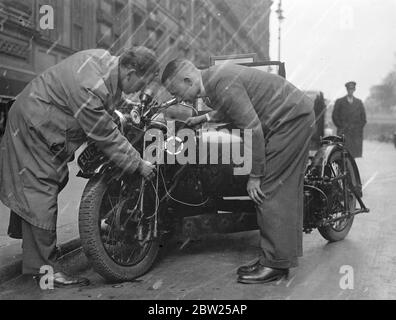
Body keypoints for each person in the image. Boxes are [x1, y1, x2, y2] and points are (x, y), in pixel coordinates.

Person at [0, 47, 158, 288]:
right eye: (140, 84)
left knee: (39, 186)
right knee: (41, 190)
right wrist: (138, 163)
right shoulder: (91, 86)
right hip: (34, 125)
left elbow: (105, 100)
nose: (139, 90)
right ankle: (45, 270)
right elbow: (104, 133)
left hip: (35, 117)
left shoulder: (103, 62)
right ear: (131, 72)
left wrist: (124, 110)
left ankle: (34, 255)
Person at [161, 59, 315, 284]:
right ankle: (274, 257)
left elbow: (252, 129)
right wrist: (203, 118)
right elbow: (229, 109)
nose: (181, 99)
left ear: (187, 80)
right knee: (278, 189)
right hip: (289, 116)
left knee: (268, 189)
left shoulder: (221, 82)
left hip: (290, 120)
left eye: (178, 92)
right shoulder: (214, 81)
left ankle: (275, 265)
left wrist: (255, 175)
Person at [332, 81, 367, 158]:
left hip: (355, 134)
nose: (350, 91)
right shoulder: (339, 102)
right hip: (344, 132)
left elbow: (363, 119)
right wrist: (341, 126)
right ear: (347, 90)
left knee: (353, 156)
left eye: (352, 89)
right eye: (349, 89)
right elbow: (334, 116)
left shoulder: (359, 102)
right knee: (342, 154)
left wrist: (357, 128)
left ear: (354, 90)